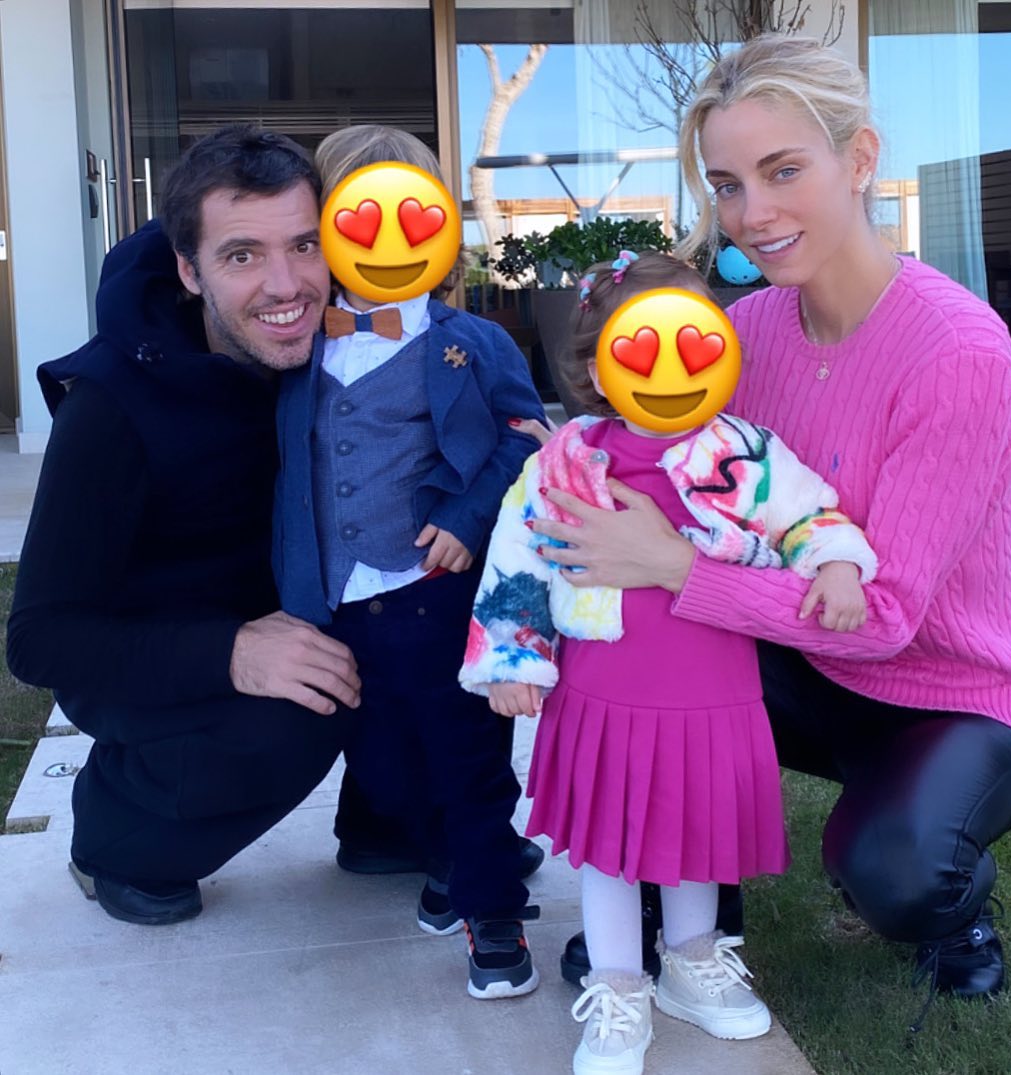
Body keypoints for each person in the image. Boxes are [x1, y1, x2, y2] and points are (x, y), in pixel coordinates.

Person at [537, 36, 1011, 1024]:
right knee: (644, 681)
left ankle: (953, 901)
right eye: (727, 185)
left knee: (892, 871)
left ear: (859, 159)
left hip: (949, 698)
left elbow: (885, 615)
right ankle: (686, 901)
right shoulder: (745, 334)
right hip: (799, 668)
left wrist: (673, 564)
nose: (753, 214)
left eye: (782, 171)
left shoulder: (957, 352)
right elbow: (662, 468)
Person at [459, 249, 877, 1072]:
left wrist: (835, 563)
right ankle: (618, 984)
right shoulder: (566, 459)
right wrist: (510, 656)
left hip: (713, 690)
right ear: (595, 367)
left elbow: (806, 515)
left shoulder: (745, 453)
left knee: (698, 830)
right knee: (610, 845)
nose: (671, 370)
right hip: (603, 692)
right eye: (641, 349)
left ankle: (691, 960)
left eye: (695, 344)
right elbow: (517, 556)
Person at [5, 125, 362, 926]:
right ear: (189, 270)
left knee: (435, 621)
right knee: (298, 714)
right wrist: (232, 652)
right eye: (242, 255)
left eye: (304, 245)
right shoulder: (112, 405)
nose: (285, 284)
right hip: (149, 654)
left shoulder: (348, 349)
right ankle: (118, 838)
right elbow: (39, 639)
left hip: (283, 604)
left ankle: (390, 825)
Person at [273, 124, 547, 999]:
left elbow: (525, 434)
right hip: (340, 602)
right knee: (385, 764)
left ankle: (493, 917)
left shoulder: (469, 341)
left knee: (467, 760)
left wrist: (467, 513)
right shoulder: (296, 345)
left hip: (437, 594)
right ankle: (454, 857)